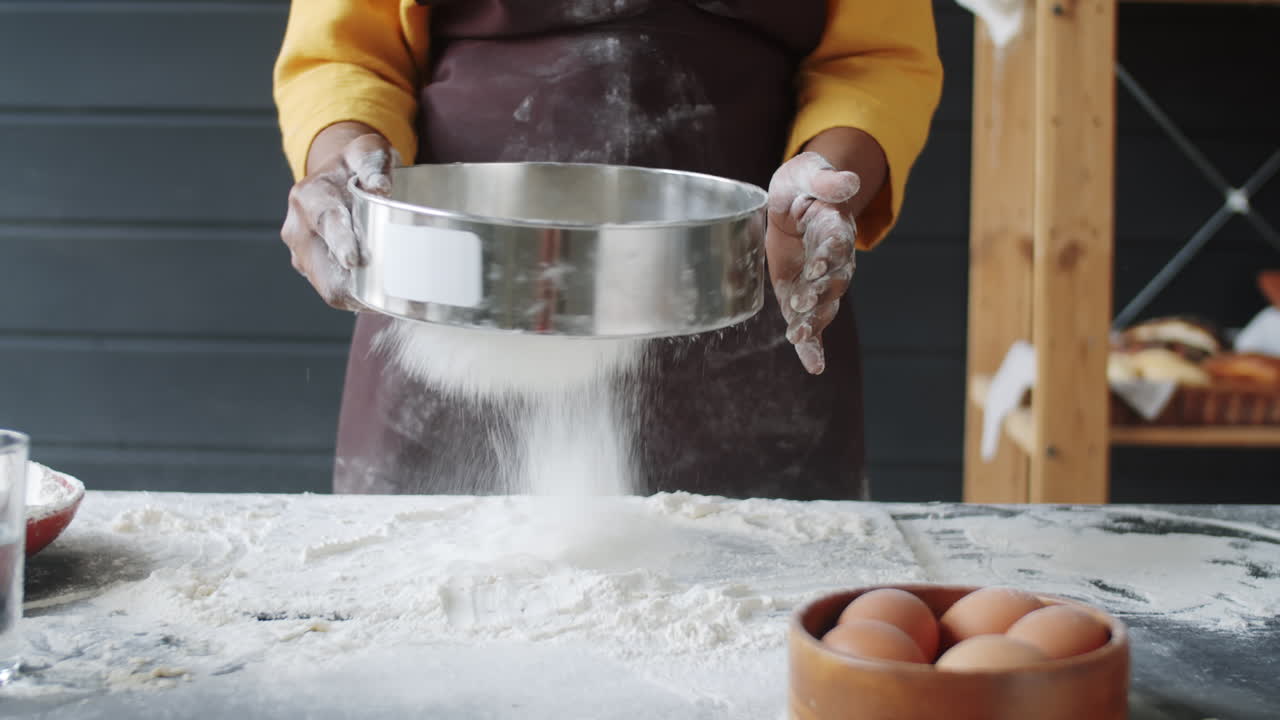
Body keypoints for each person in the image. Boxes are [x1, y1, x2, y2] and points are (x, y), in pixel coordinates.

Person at [273, 0, 942, 500]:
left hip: (742, 294)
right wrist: (341, 169)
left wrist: (825, 183)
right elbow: (345, 55)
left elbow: (875, 59)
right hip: (451, 312)